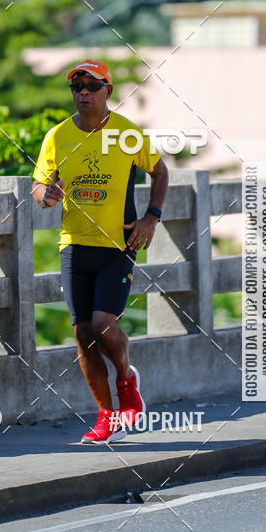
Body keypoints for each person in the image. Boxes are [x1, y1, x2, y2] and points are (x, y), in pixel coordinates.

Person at [32, 59, 169, 443]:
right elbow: (39, 185)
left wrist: (151, 217)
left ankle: (126, 380)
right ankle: (107, 417)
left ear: (108, 90)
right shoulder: (58, 136)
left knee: (104, 326)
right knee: (83, 334)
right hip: (74, 245)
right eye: (77, 87)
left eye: (93, 86)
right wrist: (46, 195)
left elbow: (160, 171)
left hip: (117, 245)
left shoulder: (127, 134)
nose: (84, 93)